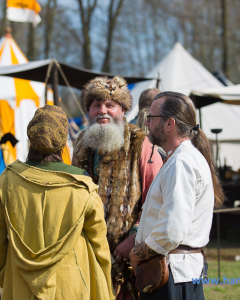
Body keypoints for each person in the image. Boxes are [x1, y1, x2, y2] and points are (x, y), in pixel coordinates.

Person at [0, 105, 114, 300]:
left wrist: (12, 278)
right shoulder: (83, 186)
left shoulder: (5, 182)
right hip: (73, 286)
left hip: (20, 289)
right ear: (63, 142)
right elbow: (100, 249)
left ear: (31, 138)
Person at [72, 76, 163, 299]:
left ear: (122, 110)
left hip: (128, 258)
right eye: (96, 105)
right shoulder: (81, 143)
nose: (102, 111)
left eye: (110, 105)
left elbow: (158, 199)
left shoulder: (141, 143)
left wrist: (133, 237)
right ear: (89, 111)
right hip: (88, 253)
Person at [129, 91, 225, 300]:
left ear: (169, 123)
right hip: (173, 273)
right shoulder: (179, 159)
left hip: (173, 276)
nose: (147, 123)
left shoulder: (181, 163)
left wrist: (137, 254)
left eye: (151, 117)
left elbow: (172, 231)